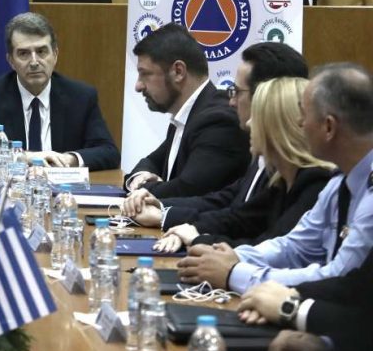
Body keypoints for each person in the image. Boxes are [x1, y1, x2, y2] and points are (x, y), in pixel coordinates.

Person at [178, 63, 373, 293]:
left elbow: (340, 278)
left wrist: (233, 273)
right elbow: (295, 246)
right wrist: (234, 257)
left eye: (304, 115)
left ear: (328, 127)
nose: (299, 124)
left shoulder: (361, 194)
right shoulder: (339, 183)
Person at [122, 42, 309, 228]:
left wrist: (161, 212)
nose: (231, 102)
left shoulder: (219, 120)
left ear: (269, 97)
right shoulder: (265, 159)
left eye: (236, 92)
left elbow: (196, 192)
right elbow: (227, 201)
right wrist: (159, 206)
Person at [150, 78, 334, 252]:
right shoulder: (280, 179)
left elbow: (274, 249)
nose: (249, 122)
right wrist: (186, 228)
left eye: (258, 116)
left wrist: (198, 239)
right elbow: (240, 219)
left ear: (279, 126)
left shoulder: (316, 183)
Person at [0, 12, 118, 170]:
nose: (34, 62)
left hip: (64, 183)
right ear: (11, 61)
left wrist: (69, 159)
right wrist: (25, 157)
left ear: (55, 55)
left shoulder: (81, 97)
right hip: (15, 184)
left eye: (41, 51)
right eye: (24, 54)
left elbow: (108, 151)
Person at [125, 23, 250, 197]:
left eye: (145, 74)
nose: (138, 86)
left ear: (178, 71)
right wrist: (141, 177)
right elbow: (151, 161)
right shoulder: (186, 116)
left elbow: (187, 190)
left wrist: (142, 189)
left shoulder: (218, 121)